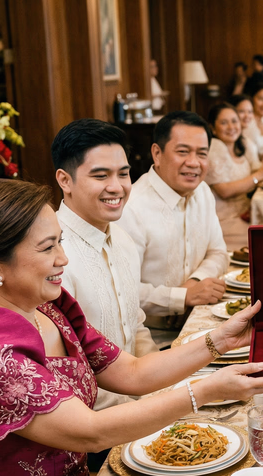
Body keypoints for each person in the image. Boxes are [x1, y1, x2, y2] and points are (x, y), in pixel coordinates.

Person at [0, 178, 263, 476]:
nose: (62, 259)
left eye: (60, 242)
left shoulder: (47, 309)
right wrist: (203, 392)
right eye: (46, 247)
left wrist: (217, 341)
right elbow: (90, 431)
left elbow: (132, 372)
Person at [53, 118, 157, 414]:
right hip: (93, 424)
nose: (117, 187)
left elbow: (135, 325)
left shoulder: (122, 239)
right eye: (100, 176)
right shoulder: (55, 256)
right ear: (65, 180)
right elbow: (66, 371)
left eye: (123, 174)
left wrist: (162, 386)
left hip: (140, 402)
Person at [117, 111, 228, 333]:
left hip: (201, 321)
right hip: (151, 336)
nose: (194, 163)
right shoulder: (131, 208)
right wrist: (181, 298)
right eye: (183, 152)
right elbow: (121, 291)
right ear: (157, 154)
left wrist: (193, 287)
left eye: (202, 154)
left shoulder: (203, 192)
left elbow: (218, 253)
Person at [205, 103, 263, 249]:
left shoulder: (242, 144)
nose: (231, 127)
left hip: (246, 213)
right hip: (225, 220)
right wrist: (260, 174)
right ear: (213, 128)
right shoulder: (215, 147)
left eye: (234, 121)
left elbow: (258, 172)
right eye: (224, 123)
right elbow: (224, 190)